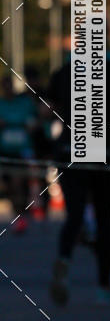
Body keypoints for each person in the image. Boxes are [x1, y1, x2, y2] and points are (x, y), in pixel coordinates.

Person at [48, 52, 110, 305]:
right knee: (105, 218)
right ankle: (105, 285)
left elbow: (48, 109)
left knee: (74, 215)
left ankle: (64, 259)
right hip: (106, 151)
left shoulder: (63, 71)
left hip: (69, 150)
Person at [0, 75, 38, 233]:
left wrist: (28, 125)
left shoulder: (25, 103)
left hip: (22, 150)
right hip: (4, 151)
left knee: (18, 183)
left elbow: (35, 121)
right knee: (8, 185)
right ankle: (19, 213)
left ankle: (21, 216)